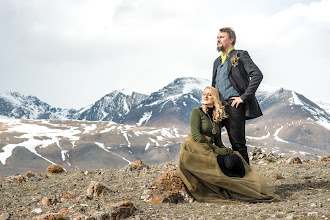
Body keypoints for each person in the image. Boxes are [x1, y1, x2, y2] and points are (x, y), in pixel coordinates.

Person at [177, 86, 279, 203]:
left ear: (215, 98)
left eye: (209, 94)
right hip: (197, 148)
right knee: (225, 164)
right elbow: (196, 135)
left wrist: (225, 150)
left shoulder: (217, 117)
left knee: (233, 159)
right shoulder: (197, 112)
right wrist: (216, 150)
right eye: (204, 94)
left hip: (211, 149)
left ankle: (240, 187)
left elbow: (218, 141)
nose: (205, 96)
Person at [212, 27, 263, 164]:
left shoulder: (240, 55)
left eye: (221, 37)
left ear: (232, 39)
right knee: (209, 139)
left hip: (234, 106)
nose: (218, 39)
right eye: (217, 37)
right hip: (218, 107)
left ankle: (247, 181)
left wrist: (243, 97)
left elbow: (257, 75)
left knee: (238, 145)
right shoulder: (217, 61)